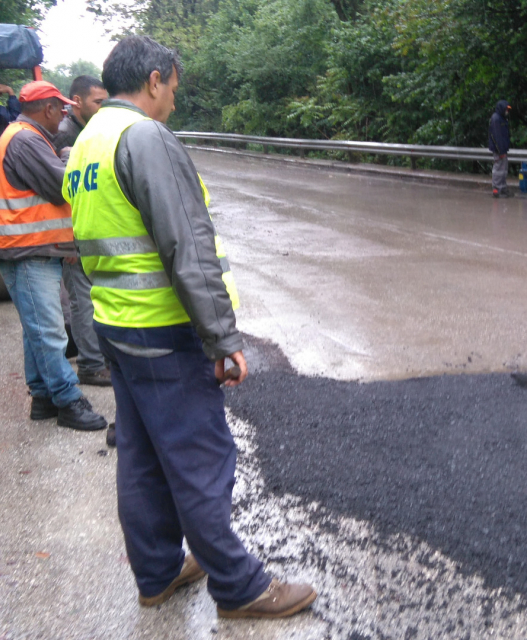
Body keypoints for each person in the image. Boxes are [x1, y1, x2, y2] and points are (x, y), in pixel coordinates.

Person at [63, 36, 316, 618]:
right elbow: (189, 251)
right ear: (154, 79)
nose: (173, 100)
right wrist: (223, 340)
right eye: (173, 88)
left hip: (115, 327)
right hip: (162, 333)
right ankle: (240, 586)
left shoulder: (88, 141)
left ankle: (156, 572)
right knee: (200, 458)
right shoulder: (145, 138)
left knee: (143, 457)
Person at [0, 81, 109, 432]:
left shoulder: (26, 136)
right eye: (61, 108)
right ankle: (69, 399)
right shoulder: (25, 139)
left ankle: (42, 397)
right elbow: (62, 186)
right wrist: (71, 158)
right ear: (49, 109)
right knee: (50, 330)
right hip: (27, 250)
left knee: (35, 328)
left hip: (32, 247)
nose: (65, 114)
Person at [51, 75, 113, 392]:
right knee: (82, 301)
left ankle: (96, 356)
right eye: (97, 102)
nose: (103, 108)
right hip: (72, 236)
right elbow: (66, 192)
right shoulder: (65, 137)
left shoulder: (87, 131)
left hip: (85, 235)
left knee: (89, 298)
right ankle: (91, 365)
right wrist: (69, 238)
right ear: (76, 101)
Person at [54, 75, 108, 154]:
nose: (104, 107)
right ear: (78, 101)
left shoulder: (89, 126)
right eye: (98, 102)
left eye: (105, 102)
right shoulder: (63, 135)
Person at [488, 99, 511, 198]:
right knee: (498, 169)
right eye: (506, 109)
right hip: (499, 149)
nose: (507, 111)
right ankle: (496, 189)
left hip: (503, 148)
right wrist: (500, 150)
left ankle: (502, 187)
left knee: (504, 169)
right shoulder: (496, 119)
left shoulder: (502, 118)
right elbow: (496, 136)